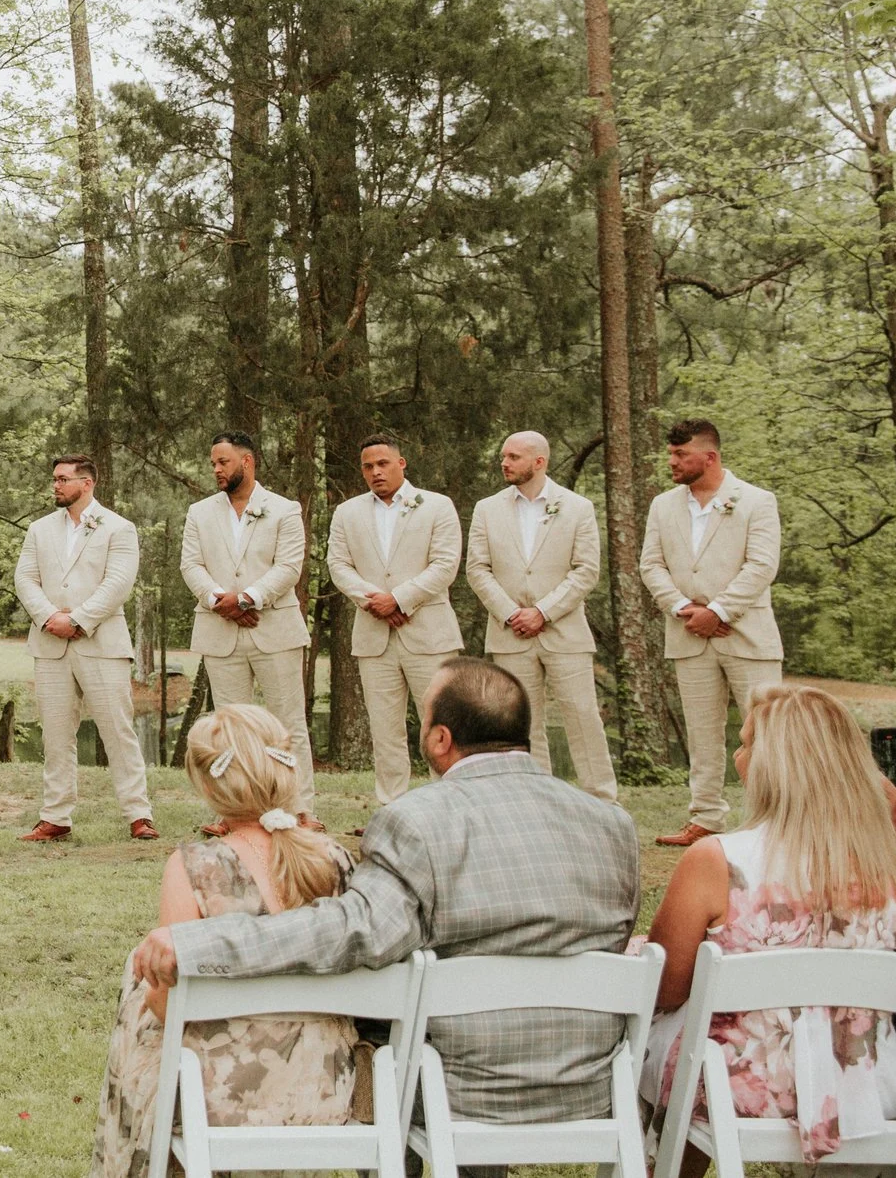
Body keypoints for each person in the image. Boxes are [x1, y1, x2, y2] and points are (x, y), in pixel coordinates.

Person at [128, 657, 642, 1123]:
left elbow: (352, 931)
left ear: (440, 739)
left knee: (392, 1056)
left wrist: (199, 944)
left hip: (455, 1091)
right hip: (596, 1087)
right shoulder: (613, 824)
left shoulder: (415, 822)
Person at [643, 682, 896, 1157]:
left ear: (773, 765)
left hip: (745, 1090)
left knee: (666, 1038)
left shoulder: (719, 859)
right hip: (870, 1086)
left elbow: (666, 990)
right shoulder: (892, 864)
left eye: (745, 743)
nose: (737, 754)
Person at [94, 704, 358, 1178]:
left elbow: (166, 1005)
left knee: (140, 988)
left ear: (210, 787)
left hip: (218, 1095)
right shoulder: (336, 860)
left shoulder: (195, 866)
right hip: (322, 1086)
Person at [642, 418, 783, 848]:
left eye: (680, 454)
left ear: (710, 456)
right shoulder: (663, 505)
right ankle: (705, 817)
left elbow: (762, 565)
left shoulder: (756, 501)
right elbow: (651, 564)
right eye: (671, 454)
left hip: (748, 635)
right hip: (688, 634)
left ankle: (773, 820)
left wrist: (719, 610)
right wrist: (685, 608)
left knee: (767, 732)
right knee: (702, 734)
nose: (672, 462)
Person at [11, 453, 155, 843]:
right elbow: (24, 578)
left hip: (102, 644)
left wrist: (78, 620)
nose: (55, 485)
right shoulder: (39, 529)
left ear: (87, 483)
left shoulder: (119, 529)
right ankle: (55, 816)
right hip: (49, 644)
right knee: (55, 734)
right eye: (54, 479)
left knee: (117, 731)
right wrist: (49, 618)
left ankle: (139, 814)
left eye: (62, 479)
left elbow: (118, 584)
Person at [464, 431, 614, 799]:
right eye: (503, 455)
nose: (505, 462)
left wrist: (543, 613)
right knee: (520, 723)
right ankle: (534, 799)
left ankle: (602, 799)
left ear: (539, 462)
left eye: (514, 456)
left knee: (582, 716)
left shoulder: (578, 508)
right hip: (510, 632)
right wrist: (511, 613)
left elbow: (586, 570)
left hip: (565, 632)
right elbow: (477, 569)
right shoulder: (488, 508)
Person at [179, 430, 315, 818]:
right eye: (213, 464)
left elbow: (289, 566)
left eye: (223, 462)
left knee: (289, 723)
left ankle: (300, 808)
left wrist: (246, 598)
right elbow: (191, 565)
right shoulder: (200, 512)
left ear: (247, 462)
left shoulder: (284, 509)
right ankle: (235, 812)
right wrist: (217, 601)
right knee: (229, 726)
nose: (217, 470)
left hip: (274, 629)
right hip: (220, 632)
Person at [325, 433, 462, 808]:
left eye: (382, 463)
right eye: (368, 466)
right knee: (385, 731)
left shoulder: (437, 506)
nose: (375, 472)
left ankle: (446, 807)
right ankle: (393, 809)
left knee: (440, 726)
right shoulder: (347, 512)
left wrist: (400, 599)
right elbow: (338, 564)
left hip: (429, 634)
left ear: (401, 464)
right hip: (374, 636)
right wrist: (373, 601)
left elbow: (446, 564)